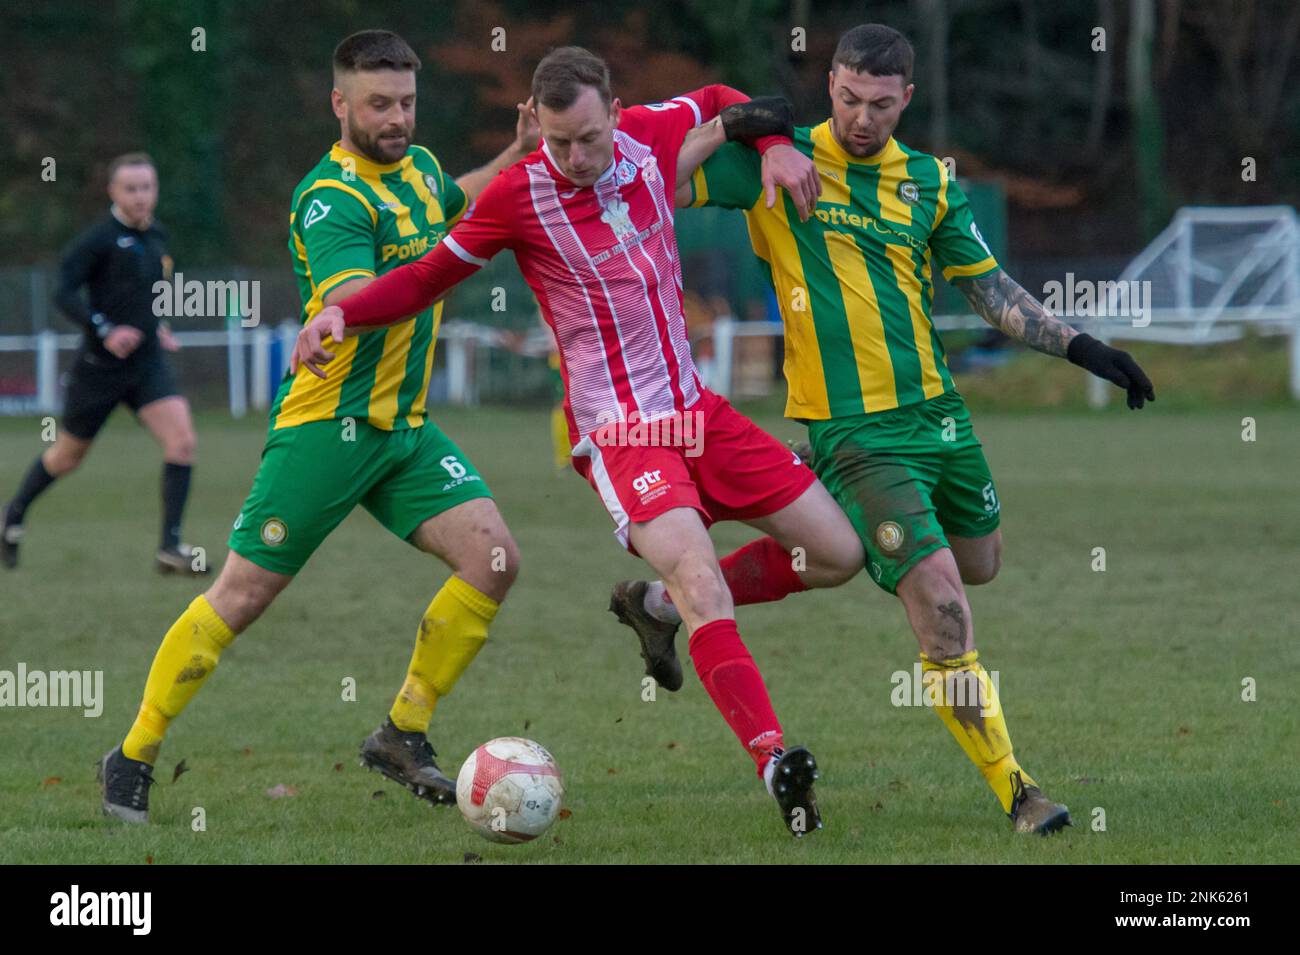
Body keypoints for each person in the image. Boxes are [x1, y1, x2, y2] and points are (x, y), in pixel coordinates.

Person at [294, 46, 871, 837]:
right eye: (558, 142)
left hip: (699, 413)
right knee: (705, 576)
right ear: (541, 127)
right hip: (623, 436)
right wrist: (341, 313)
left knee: (838, 552)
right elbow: (424, 277)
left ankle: (659, 609)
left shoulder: (650, 137)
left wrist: (774, 144)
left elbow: (729, 95)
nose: (573, 158)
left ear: (613, 113)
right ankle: (775, 760)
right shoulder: (516, 197)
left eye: (587, 140)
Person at [627, 23, 1157, 834]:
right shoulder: (783, 163)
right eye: (846, 98)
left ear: (906, 98)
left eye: (880, 104)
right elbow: (650, 182)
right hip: (855, 429)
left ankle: (667, 602)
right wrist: (746, 131)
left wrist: (1085, 347)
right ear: (829, 84)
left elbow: (991, 292)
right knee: (942, 599)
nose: (861, 118)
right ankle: (1021, 791)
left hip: (941, 419)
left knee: (980, 564)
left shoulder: (929, 183)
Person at [97, 29, 538, 823]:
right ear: (340, 104)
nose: (396, 117)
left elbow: (452, 199)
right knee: (240, 596)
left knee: (494, 559)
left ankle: (402, 731)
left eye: (406, 101)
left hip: (404, 430)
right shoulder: (331, 199)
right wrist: (388, 291)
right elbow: (365, 293)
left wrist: (514, 151)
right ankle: (132, 753)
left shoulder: (420, 167)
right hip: (327, 425)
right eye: (378, 104)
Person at [2, 153, 204, 574]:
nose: (140, 197)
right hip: (100, 370)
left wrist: (158, 325)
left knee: (182, 441)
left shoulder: (158, 238)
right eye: (130, 189)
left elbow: (148, 296)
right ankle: (12, 516)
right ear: (113, 192)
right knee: (66, 457)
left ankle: (170, 548)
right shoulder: (97, 241)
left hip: (147, 365)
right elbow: (65, 293)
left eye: (147, 187)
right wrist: (105, 329)